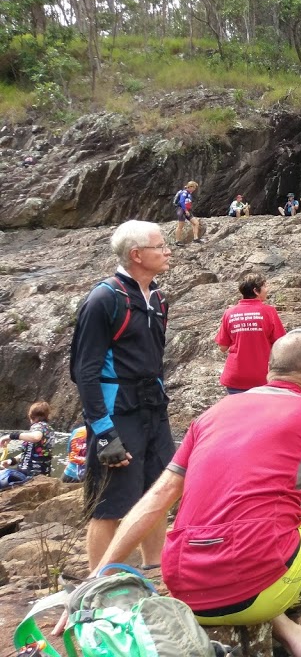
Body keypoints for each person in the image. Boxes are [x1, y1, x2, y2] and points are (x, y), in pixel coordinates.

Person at [89, 331, 301, 657]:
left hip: (186, 591)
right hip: (255, 592)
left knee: (250, 530)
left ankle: (296, 635)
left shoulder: (210, 416)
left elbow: (155, 499)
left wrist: (99, 576)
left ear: (269, 371)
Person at [71, 220, 176, 569]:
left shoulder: (157, 297)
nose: (167, 250)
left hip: (153, 408)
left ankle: (155, 570)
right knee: (111, 502)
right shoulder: (104, 299)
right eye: (160, 246)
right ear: (136, 255)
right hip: (117, 413)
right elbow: (84, 371)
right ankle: (99, 582)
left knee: (157, 493)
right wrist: (102, 433)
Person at [215, 273, 287, 393]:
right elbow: (281, 343)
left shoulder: (229, 313)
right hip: (262, 377)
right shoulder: (269, 312)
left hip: (235, 377)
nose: (267, 289)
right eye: (265, 286)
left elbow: (222, 347)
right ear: (256, 291)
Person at [0, 401, 54, 477]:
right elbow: (30, 452)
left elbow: (36, 437)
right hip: (31, 472)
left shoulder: (39, 426)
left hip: (32, 474)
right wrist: (11, 461)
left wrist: (10, 436)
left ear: (31, 415)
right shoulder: (47, 429)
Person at [173, 180, 202, 245]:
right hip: (181, 210)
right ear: (191, 187)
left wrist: (188, 210)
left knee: (196, 223)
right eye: (194, 188)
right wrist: (185, 210)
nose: (194, 189)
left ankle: (196, 238)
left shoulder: (189, 194)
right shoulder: (184, 193)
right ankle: (177, 241)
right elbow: (181, 202)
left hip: (187, 210)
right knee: (180, 225)